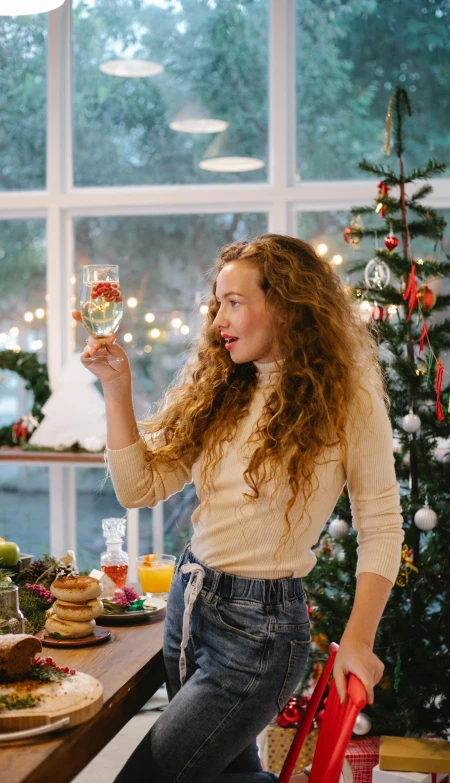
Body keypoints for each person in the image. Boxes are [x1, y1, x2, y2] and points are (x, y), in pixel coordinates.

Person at [73, 234, 404, 783]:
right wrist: (116, 387)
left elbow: (383, 525)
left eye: (234, 302)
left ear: (286, 304)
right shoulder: (225, 386)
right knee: (216, 774)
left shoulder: (349, 397)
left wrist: (360, 639)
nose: (218, 319)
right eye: (217, 302)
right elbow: (139, 488)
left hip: (261, 633)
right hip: (189, 602)